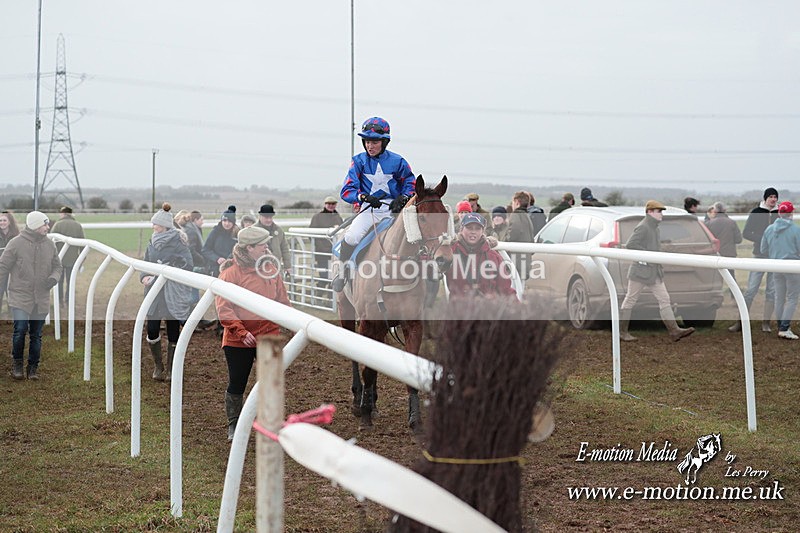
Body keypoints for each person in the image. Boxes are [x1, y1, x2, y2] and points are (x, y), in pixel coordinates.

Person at [215, 226, 292, 440]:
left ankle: (271, 423)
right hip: (239, 340)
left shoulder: (270, 269)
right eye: (262, 244)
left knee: (272, 381)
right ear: (249, 248)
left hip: (269, 334)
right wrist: (240, 331)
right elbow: (224, 308)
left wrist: (294, 322)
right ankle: (234, 425)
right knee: (238, 381)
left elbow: (282, 301)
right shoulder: (230, 274)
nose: (267, 247)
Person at [332, 116, 416, 292]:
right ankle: (343, 272)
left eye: (374, 142)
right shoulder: (358, 161)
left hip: (395, 211)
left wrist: (404, 197)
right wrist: (363, 197)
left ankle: (428, 278)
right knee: (352, 236)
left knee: (416, 237)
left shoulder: (398, 161)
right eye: (367, 141)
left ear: (384, 142)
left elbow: (411, 183)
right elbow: (346, 192)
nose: (370, 146)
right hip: (369, 210)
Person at [618, 200, 694, 342]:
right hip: (640, 272)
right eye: (659, 211)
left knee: (664, 299)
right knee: (630, 300)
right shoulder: (644, 227)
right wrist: (648, 255)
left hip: (654, 271)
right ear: (650, 212)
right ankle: (622, 332)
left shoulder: (654, 228)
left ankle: (674, 331)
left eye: (661, 211)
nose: (661, 214)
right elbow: (631, 245)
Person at [0, 211, 62, 380]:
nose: (47, 227)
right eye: (45, 224)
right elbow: (3, 268)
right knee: (20, 330)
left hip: (40, 297)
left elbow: (57, 267)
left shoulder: (50, 245)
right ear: (35, 226)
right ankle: (17, 366)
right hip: (20, 296)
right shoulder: (15, 244)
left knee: (36, 334)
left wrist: (53, 279)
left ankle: (33, 369)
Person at [140, 203, 194, 382]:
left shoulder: (179, 242)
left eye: (155, 223)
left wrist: (170, 269)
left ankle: (171, 368)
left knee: (172, 331)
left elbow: (188, 263)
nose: (153, 226)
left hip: (171, 293)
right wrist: (144, 277)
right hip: (154, 293)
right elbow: (145, 262)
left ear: (164, 225)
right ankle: (158, 365)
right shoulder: (152, 241)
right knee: (152, 330)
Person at [729, 187, 780, 333]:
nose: (773, 199)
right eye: (771, 197)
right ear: (765, 198)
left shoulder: (779, 213)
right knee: (751, 290)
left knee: (771, 291)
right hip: (759, 255)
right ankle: (740, 322)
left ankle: (766, 323)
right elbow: (746, 233)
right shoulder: (756, 213)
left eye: (775, 197)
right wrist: (763, 240)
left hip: (775, 258)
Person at [446, 213, 516, 298]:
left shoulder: (494, 257)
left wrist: (520, 309)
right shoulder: (450, 253)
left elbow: (505, 290)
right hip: (458, 309)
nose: (473, 232)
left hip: (488, 309)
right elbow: (430, 271)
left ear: (483, 231)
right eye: (469, 228)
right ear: (461, 229)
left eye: (478, 228)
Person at [760, 201, 800, 339]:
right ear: (791, 213)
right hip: (791, 267)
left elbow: (763, 249)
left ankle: (781, 325)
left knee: (779, 297)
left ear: (779, 213)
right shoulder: (796, 230)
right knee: (792, 297)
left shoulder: (769, 229)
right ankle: (784, 327)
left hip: (775, 267)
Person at [49, 206, 85, 307]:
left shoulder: (57, 225)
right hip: (73, 259)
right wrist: (82, 258)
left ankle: (59, 301)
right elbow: (82, 242)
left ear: (62, 214)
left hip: (59, 259)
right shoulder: (77, 225)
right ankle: (69, 300)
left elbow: (52, 242)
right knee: (70, 281)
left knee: (59, 281)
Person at [308, 196, 344, 280]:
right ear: (325, 204)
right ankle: (322, 288)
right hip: (322, 252)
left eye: (333, 204)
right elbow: (312, 234)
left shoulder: (338, 217)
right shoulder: (317, 217)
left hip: (335, 251)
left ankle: (330, 291)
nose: (331, 205)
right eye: (329, 204)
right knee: (324, 273)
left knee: (335, 272)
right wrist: (321, 247)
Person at [704, 201, 742, 279]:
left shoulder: (709, 224)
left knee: (714, 278)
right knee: (731, 278)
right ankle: (733, 291)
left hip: (715, 254)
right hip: (730, 254)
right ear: (725, 210)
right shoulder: (732, 222)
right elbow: (738, 239)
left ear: (715, 211)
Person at [253, 204, 291, 276]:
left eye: (270, 217)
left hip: (276, 267)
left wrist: (287, 265)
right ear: (260, 216)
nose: (269, 220)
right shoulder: (254, 230)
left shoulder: (278, 230)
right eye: (266, 217)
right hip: (258, 267)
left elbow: (284, 248)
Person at [202, 205, 239, 278]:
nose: (227, 224)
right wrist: (217, 258)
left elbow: (239, 250)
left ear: (233, 222)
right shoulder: (215, 232)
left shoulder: (237, 234)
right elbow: (205, 250)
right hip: (215, 269)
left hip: (232, 269)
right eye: (224, 221)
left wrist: (230, 259)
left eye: (229, 221)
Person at [507, 191, 536, 280]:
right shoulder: (527, 217)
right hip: (525, 261)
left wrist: (504, 241)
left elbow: (512, 234)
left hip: (516, 262)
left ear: (516, 202)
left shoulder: (516, 215)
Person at [0, 210, 21, 315]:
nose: (2, 222)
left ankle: (12, 314)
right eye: (0, 220)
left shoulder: (16, 236)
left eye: (4, 220)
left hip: (13, 269)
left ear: (9, 222)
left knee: (11, 292)